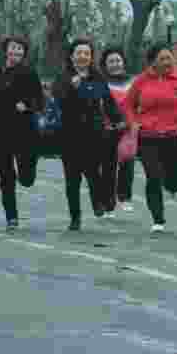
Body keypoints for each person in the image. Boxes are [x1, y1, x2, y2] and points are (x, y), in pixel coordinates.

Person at [123, 44, 177, 233]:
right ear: (153, 61)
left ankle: (173, 186)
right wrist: (133, 124)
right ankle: (158, 219)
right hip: (148, 137)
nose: (167, 62)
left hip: (175, 136)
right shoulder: (141, 81)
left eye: (169, 58)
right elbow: (128, 105)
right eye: (162, 58)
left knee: (175, 181)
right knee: (153, 177)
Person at [53, 38, 123, 231]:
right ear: (72, 56)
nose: (83, 56)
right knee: (72, 178)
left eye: (87, 53)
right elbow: (58, 99)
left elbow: (107, 100)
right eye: (79, 53)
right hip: (70, 135)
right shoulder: (64, 77)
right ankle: (75, 218)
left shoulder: (97, 77)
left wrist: (118, 119)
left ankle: (98, 202)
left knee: (93, 173)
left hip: (94, 133)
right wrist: (71, 88)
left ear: (91, 57)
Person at [0, 35, 44, 231]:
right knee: (5, 176)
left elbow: (40, 101)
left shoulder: (29, 73)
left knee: (26, 179)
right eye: (13, 48)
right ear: (6, 50)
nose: (16, 52)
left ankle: (26, 174)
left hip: (25, 130)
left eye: (20, 49)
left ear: (24, 53)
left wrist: (28, 105)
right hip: (1, 130)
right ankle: (11, 217)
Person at [99, 47, 136, 215]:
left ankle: (125, 197)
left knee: (128, 162)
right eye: (111, 61)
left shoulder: (133, 82)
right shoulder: (101, 82)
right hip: (108, 128)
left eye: (118, 60)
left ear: (123, 62)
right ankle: (108, 201)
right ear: (105, 65)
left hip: (128, 128)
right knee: (108, 166)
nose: (115, 64)